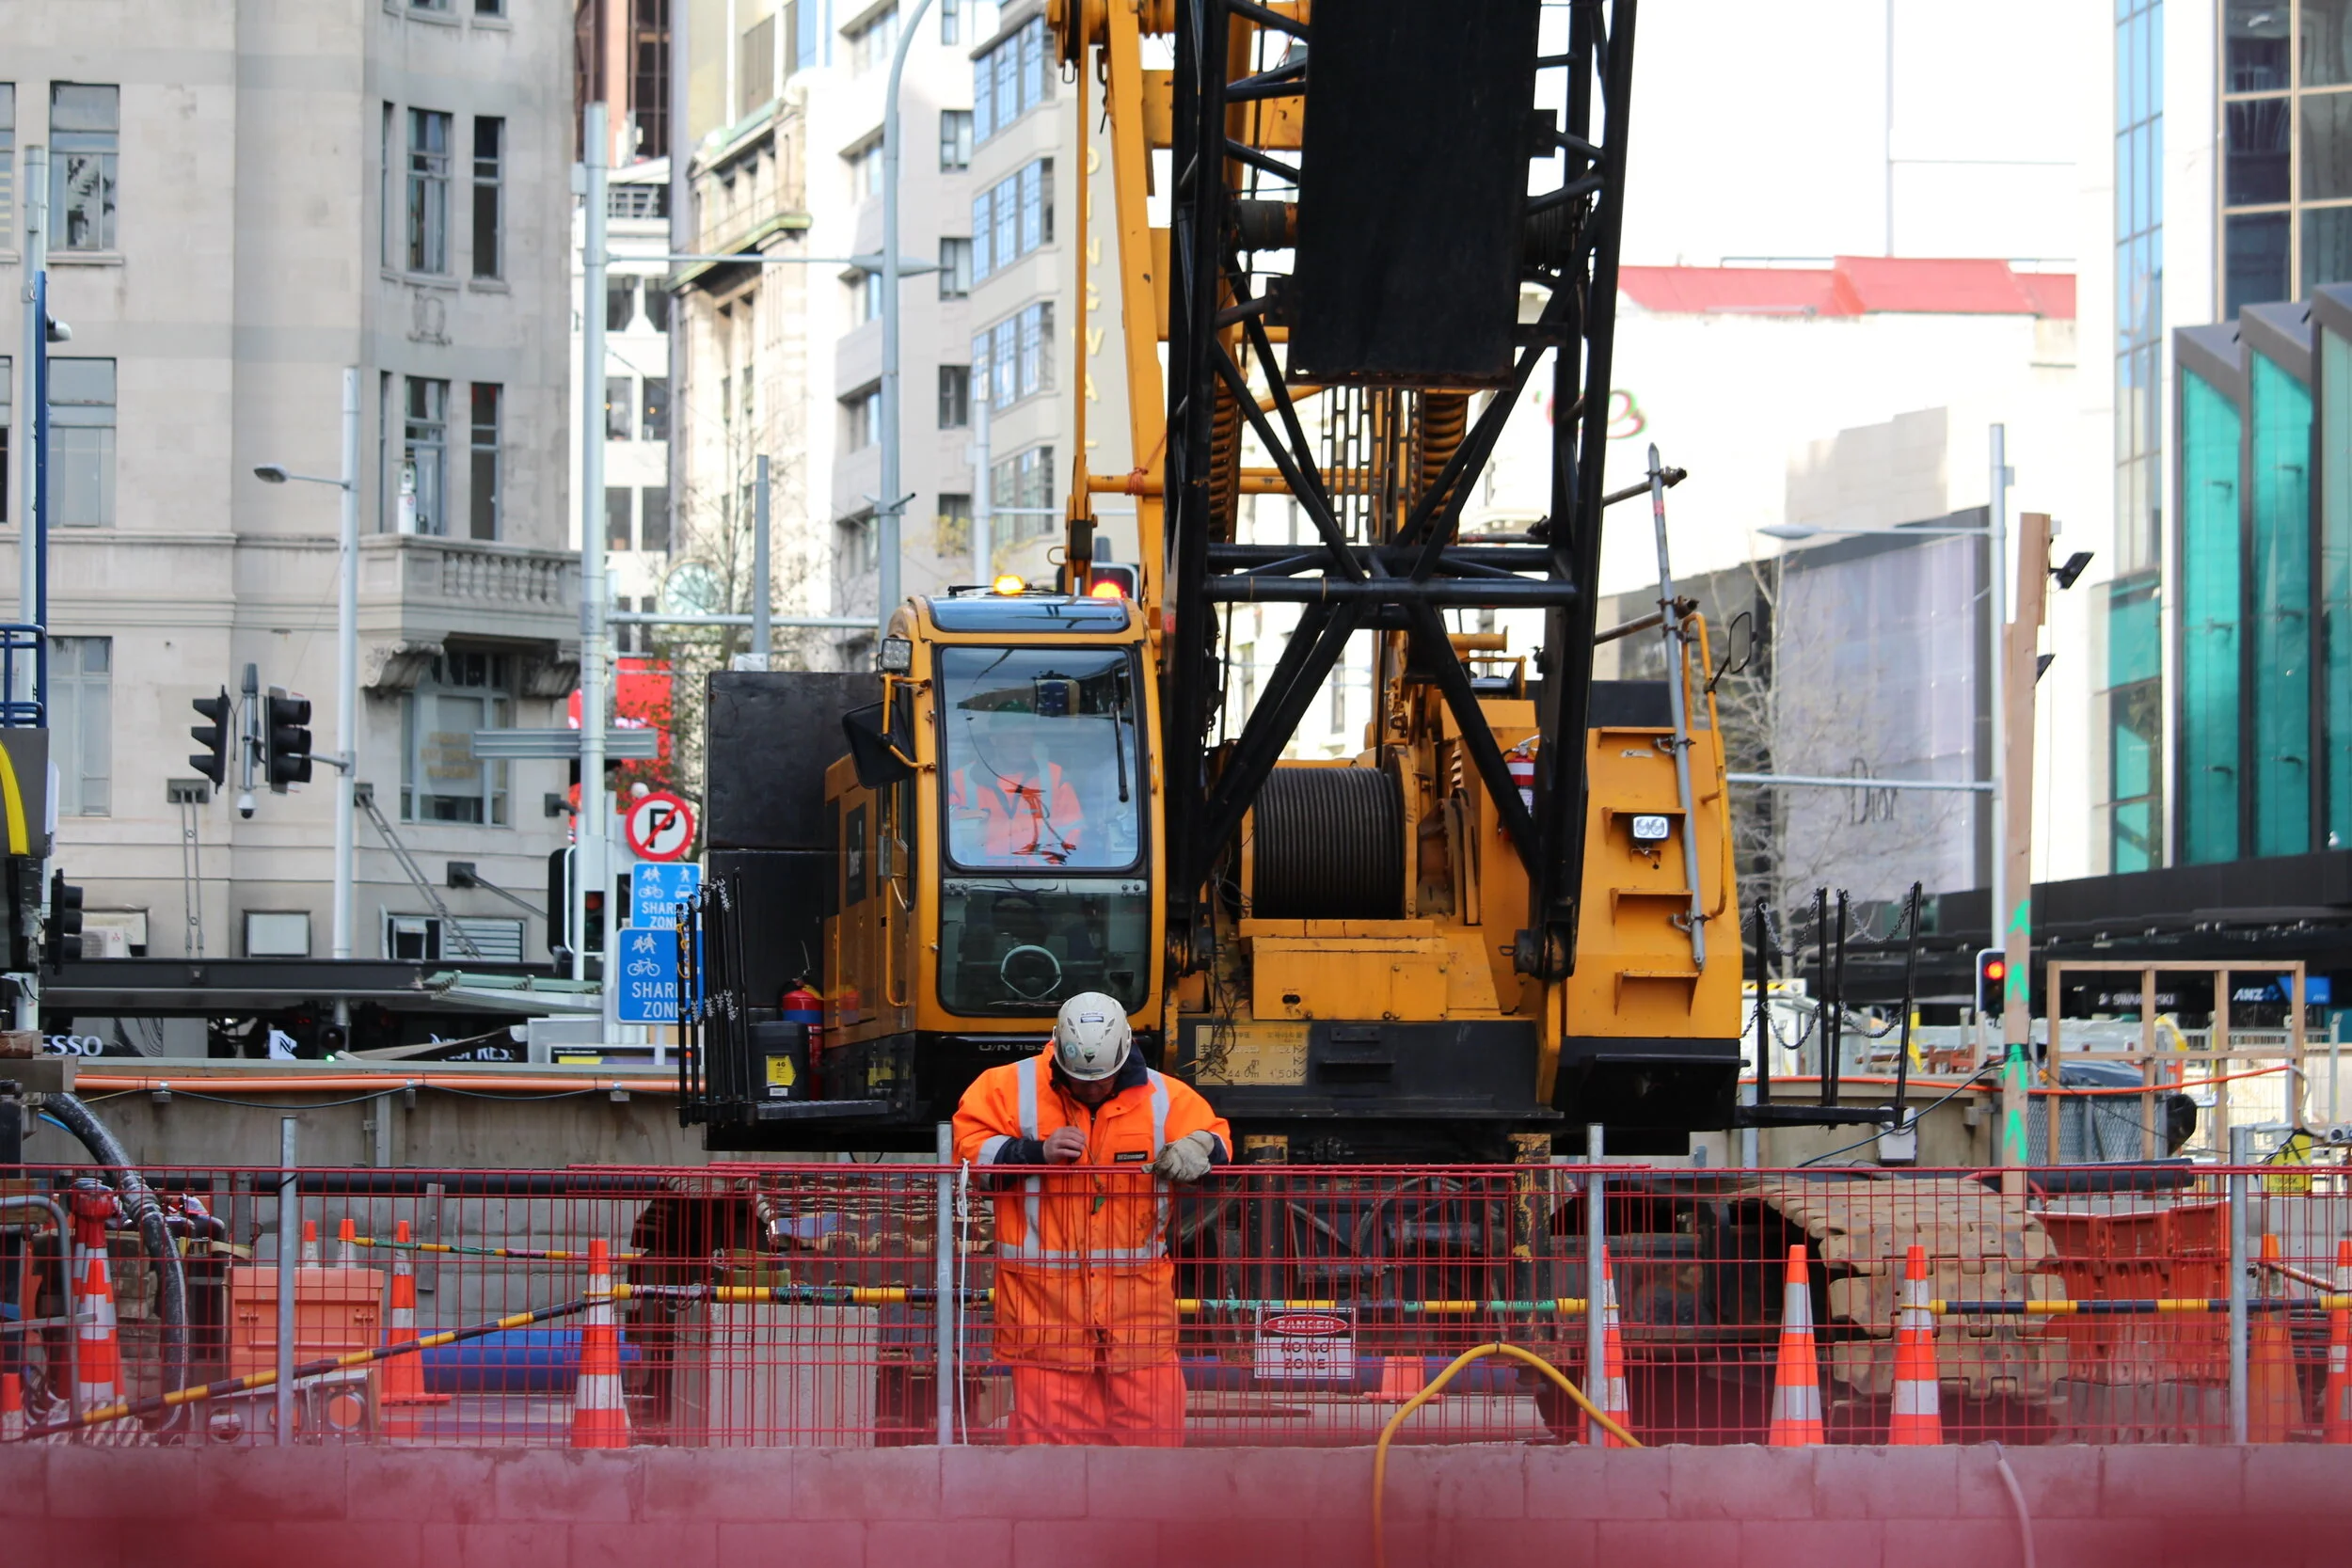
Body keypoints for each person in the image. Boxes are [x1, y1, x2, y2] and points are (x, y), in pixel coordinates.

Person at [952, 992, 1231, 1445]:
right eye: (1081, 1080)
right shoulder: (1006, 1088)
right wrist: (1033, 1153)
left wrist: (1200, 1147)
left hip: (1137, 1315)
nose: (1092, 1089)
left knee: (1152, 1445)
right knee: (1051, 1456)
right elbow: (968, 1154)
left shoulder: (1166, 1097)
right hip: (1046, 1315)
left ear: (1126, 1052)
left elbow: (1216, 1139)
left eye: (1102, 1079)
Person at [947, 709, 1087, 865]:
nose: (1022, 742)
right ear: (994, 739)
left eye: (1027, 735)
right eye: (1013, 735)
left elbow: (1074, 833)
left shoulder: (1056, 776)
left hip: (1042, 876)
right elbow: (948, 835)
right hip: (974, 875)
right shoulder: (959, 780)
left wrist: (1050, 868)